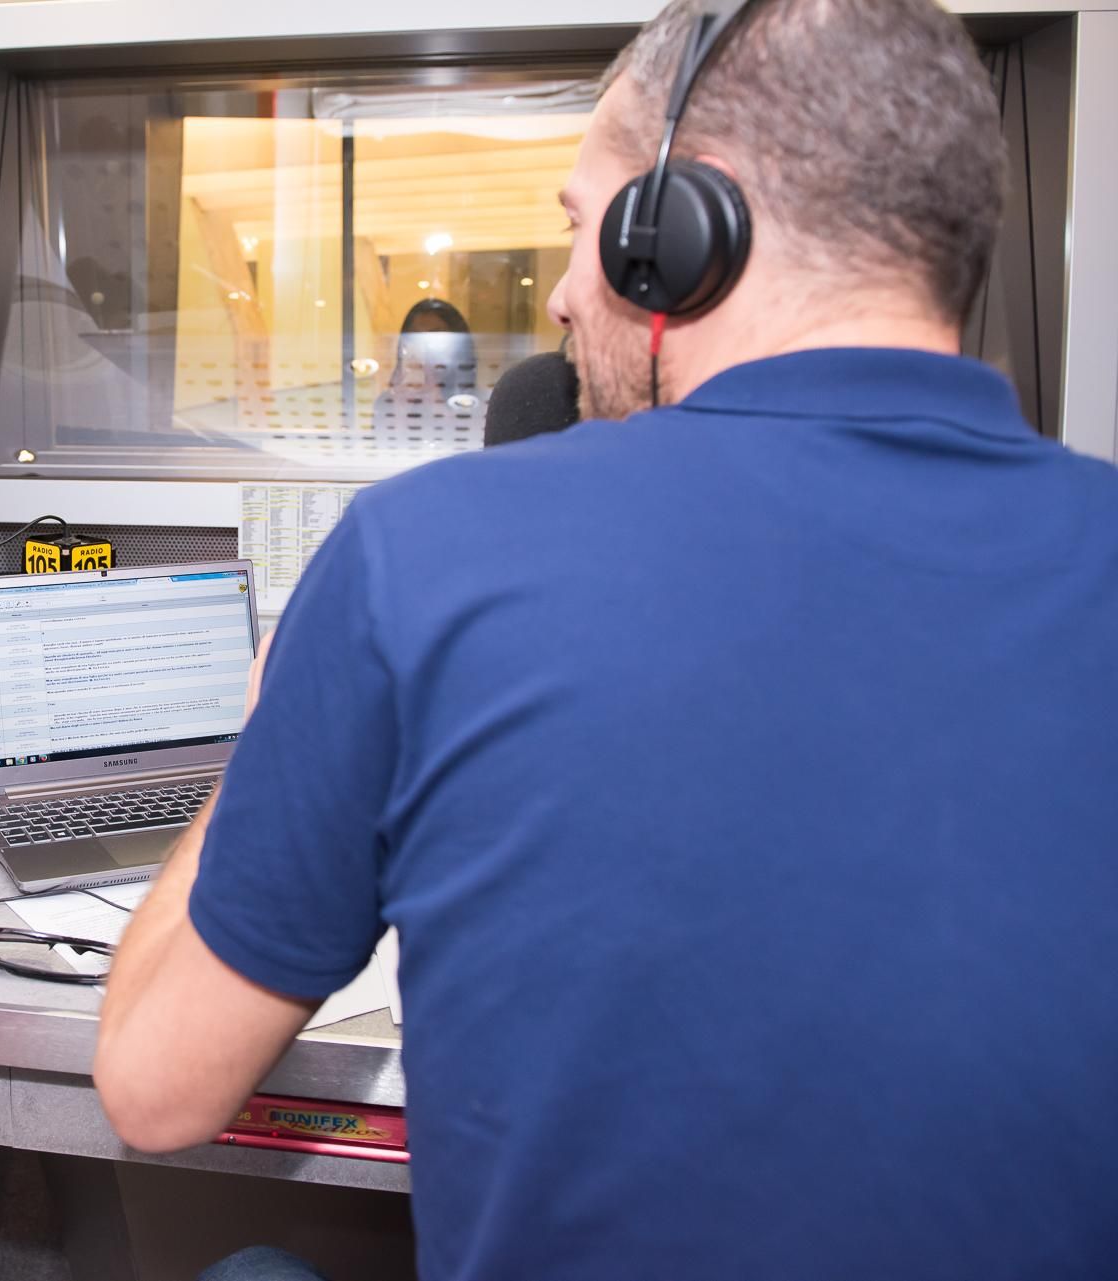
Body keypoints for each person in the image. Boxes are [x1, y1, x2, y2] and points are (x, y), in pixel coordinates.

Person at [95, 2, 1118, 1279]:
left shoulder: (425, 557)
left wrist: (275, 740)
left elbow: (154, 1088)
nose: (567, 296)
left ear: (685, 229)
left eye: (584, 229)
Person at [370, 298, 481, 438]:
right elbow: (385, 446)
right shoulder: (387, 402)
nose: (425, 348)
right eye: (415, 339)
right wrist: (399, 410)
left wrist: (438, 403)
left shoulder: (480, 403)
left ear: (458, 347)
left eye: (437, 338)